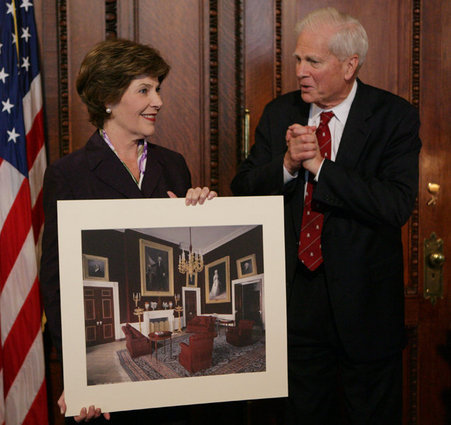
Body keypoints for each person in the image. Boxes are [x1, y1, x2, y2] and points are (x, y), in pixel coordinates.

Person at [231, 7, 420, 425]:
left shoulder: (394, 117)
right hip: (294, 304)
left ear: (350, 65)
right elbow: (241, 189)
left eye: (313, 62)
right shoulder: (280, 112)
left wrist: (321, 167)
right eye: (298, 59)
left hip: (366, 312)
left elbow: (394, 205)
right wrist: (286, 164)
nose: (300, 71)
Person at [40, 38, 216, 424]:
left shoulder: (173, 165)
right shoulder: (68, 175)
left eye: (158, 89)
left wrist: (204, 208)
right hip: (105, 410)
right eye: (144, 90)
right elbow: (55, 286)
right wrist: (77, 376)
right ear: (108, 97)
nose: (158, 101)